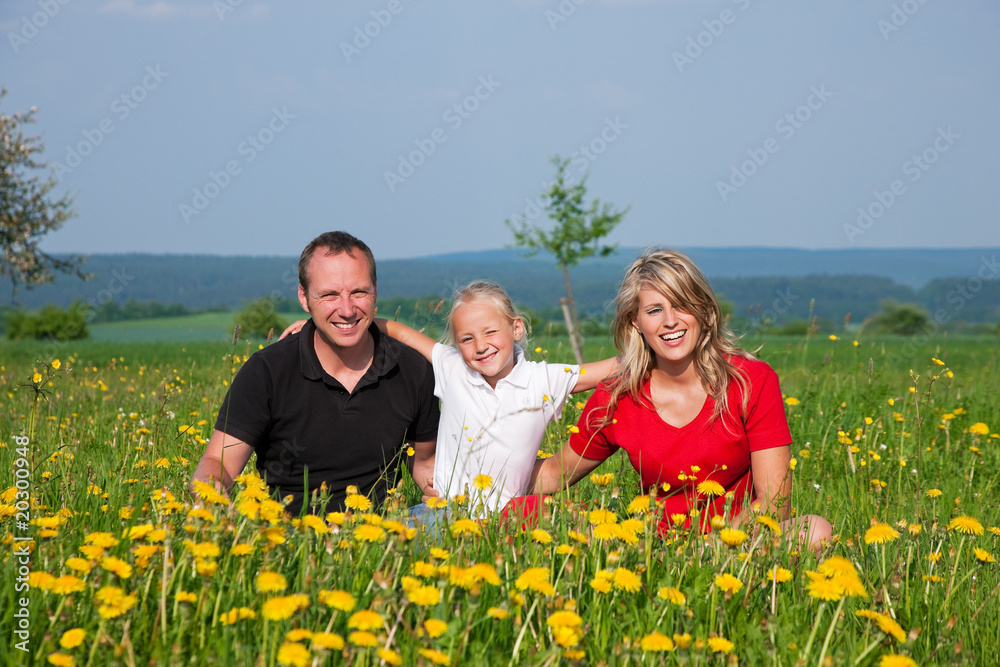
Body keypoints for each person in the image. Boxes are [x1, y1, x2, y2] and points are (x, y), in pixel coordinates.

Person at [529, 248, 831, 549]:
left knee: (815, 530)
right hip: (649, 546)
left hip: (734, 544)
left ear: (704, 311)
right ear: (636, 322)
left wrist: (705, 551)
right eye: (654, 310)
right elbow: (556, 474)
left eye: (682, 305)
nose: (670, 321)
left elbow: (774, 503)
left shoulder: (751, 381)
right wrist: (487, 473)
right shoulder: (617, 394)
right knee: (531, 514)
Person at [282, 280, 618, 518]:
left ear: (516, 328)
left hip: (506, 518)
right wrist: (322, 328)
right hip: (442, 511)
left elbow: (608, 368)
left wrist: (657, 347)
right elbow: (398, 331)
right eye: (467, 338)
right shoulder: (453, 367)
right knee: (378, 542)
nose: (480, 346)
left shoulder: (544, 379)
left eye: (490, 332)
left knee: (559, 520)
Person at [190, 231, 440, 516]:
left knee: (443, 519)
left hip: (384, 532)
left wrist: (445, 492)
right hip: (286, 531)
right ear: (304, 297)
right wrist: (216, 502)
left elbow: (424, 462)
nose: (347, 310)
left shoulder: (413, 370)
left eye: (359, 292)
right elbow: (218, 461)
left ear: (375, 292)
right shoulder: (267, 371)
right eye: (329, 295)